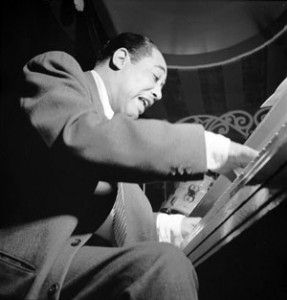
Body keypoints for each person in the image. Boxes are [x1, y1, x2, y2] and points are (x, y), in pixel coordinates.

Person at [0, 32, 258, 300]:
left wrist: (173, 227)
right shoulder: (57, 70)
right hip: (18, 270)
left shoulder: (117, 151)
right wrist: (215, 149)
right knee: (163, 265)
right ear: (121, 58)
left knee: (164, 266)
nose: (158, 94)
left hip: (62, 270)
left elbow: (120, 214)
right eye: (155, 77)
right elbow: (83, 136)